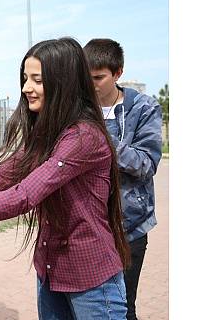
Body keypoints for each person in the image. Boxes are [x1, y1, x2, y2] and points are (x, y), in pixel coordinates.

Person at [0, 37, 131, 319]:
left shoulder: (83, 136)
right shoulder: (45, 133)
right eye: (26, 79)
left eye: (37, 80)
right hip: (51, 271)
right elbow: (5, 175)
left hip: (91, 280)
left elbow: (25, 193)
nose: (26, 88)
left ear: (64, 82)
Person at [84, 38, 163, 320]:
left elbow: (146, 164)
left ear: (117, 73)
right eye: (86, 77)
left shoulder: (143, 108)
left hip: (130, 226)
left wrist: (103, 139)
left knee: (123, 307)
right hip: (88, 228)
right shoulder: (80, 109)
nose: (91, 84)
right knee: (91, 307)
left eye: (98, 77)